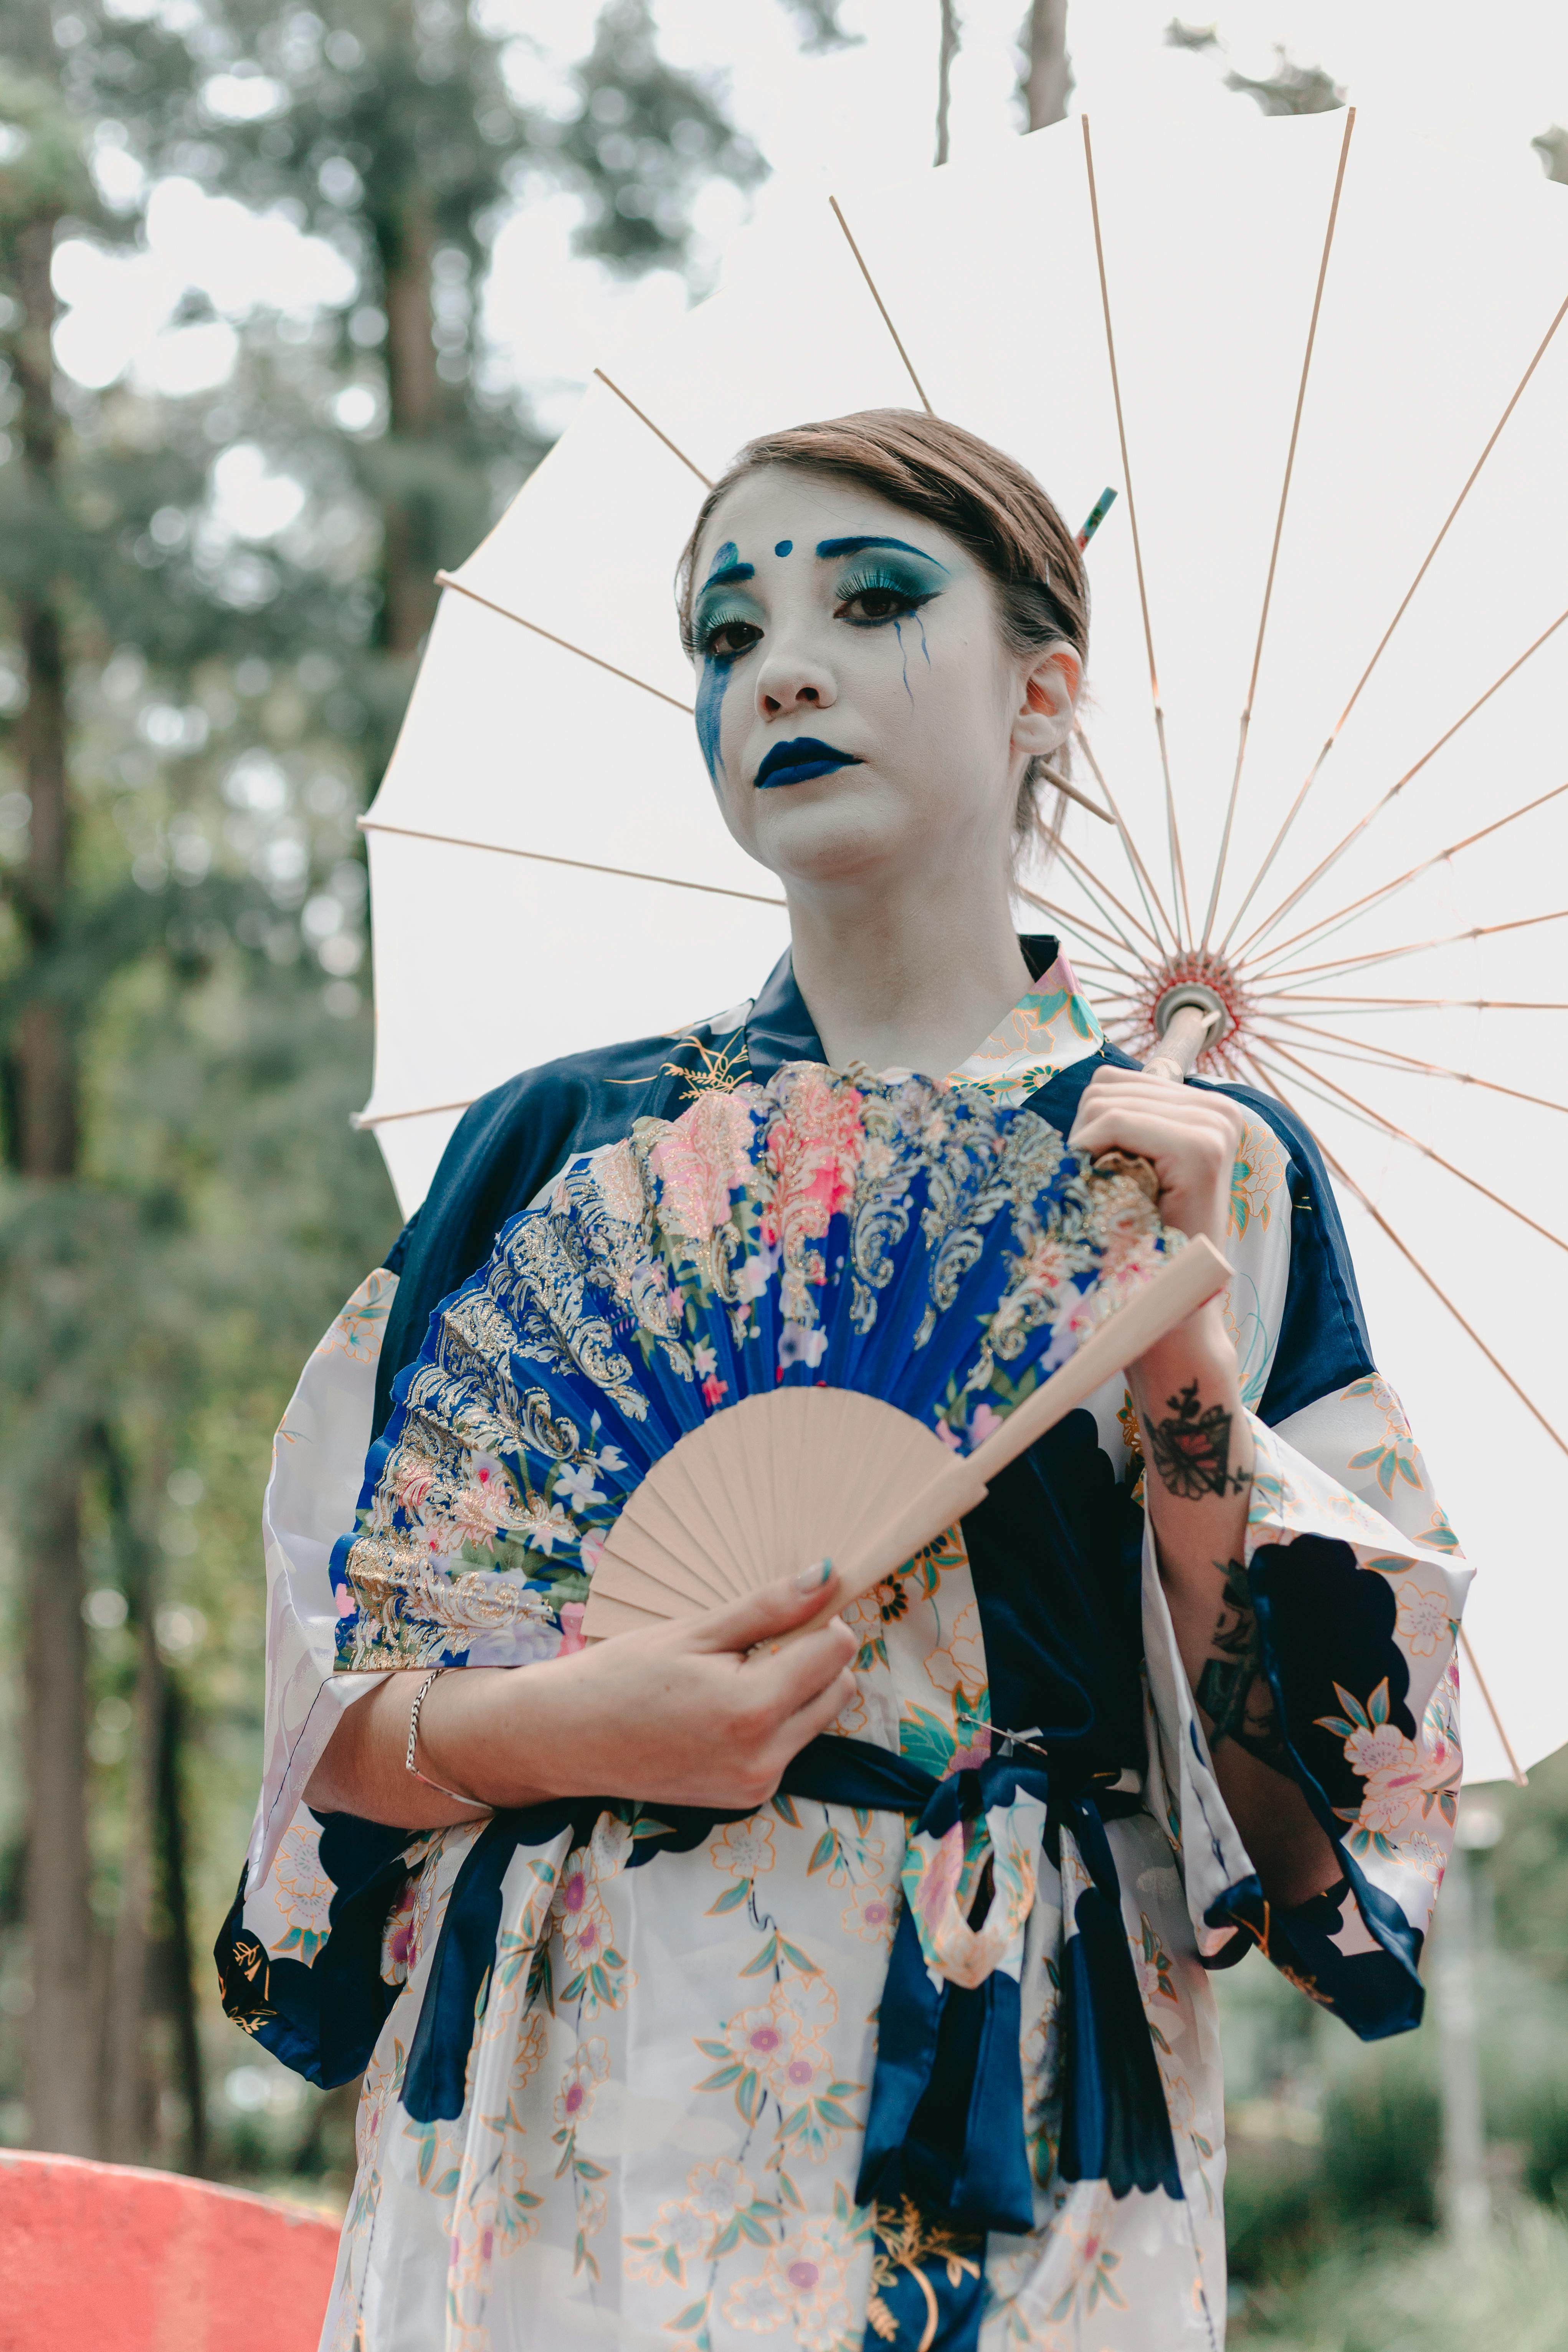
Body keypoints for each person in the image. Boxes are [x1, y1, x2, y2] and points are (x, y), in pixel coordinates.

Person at [218, 413, 1469, 2352]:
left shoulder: (1215, 1173)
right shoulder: (563, 1145)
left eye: (871, 600)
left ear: (1041, 684)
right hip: (578, 2074)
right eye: (727, 635)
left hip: (1011, 2064)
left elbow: (1298, 1838)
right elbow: (333, 1718)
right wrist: (575, 1727)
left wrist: (1188, 1372)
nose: (775, 666)